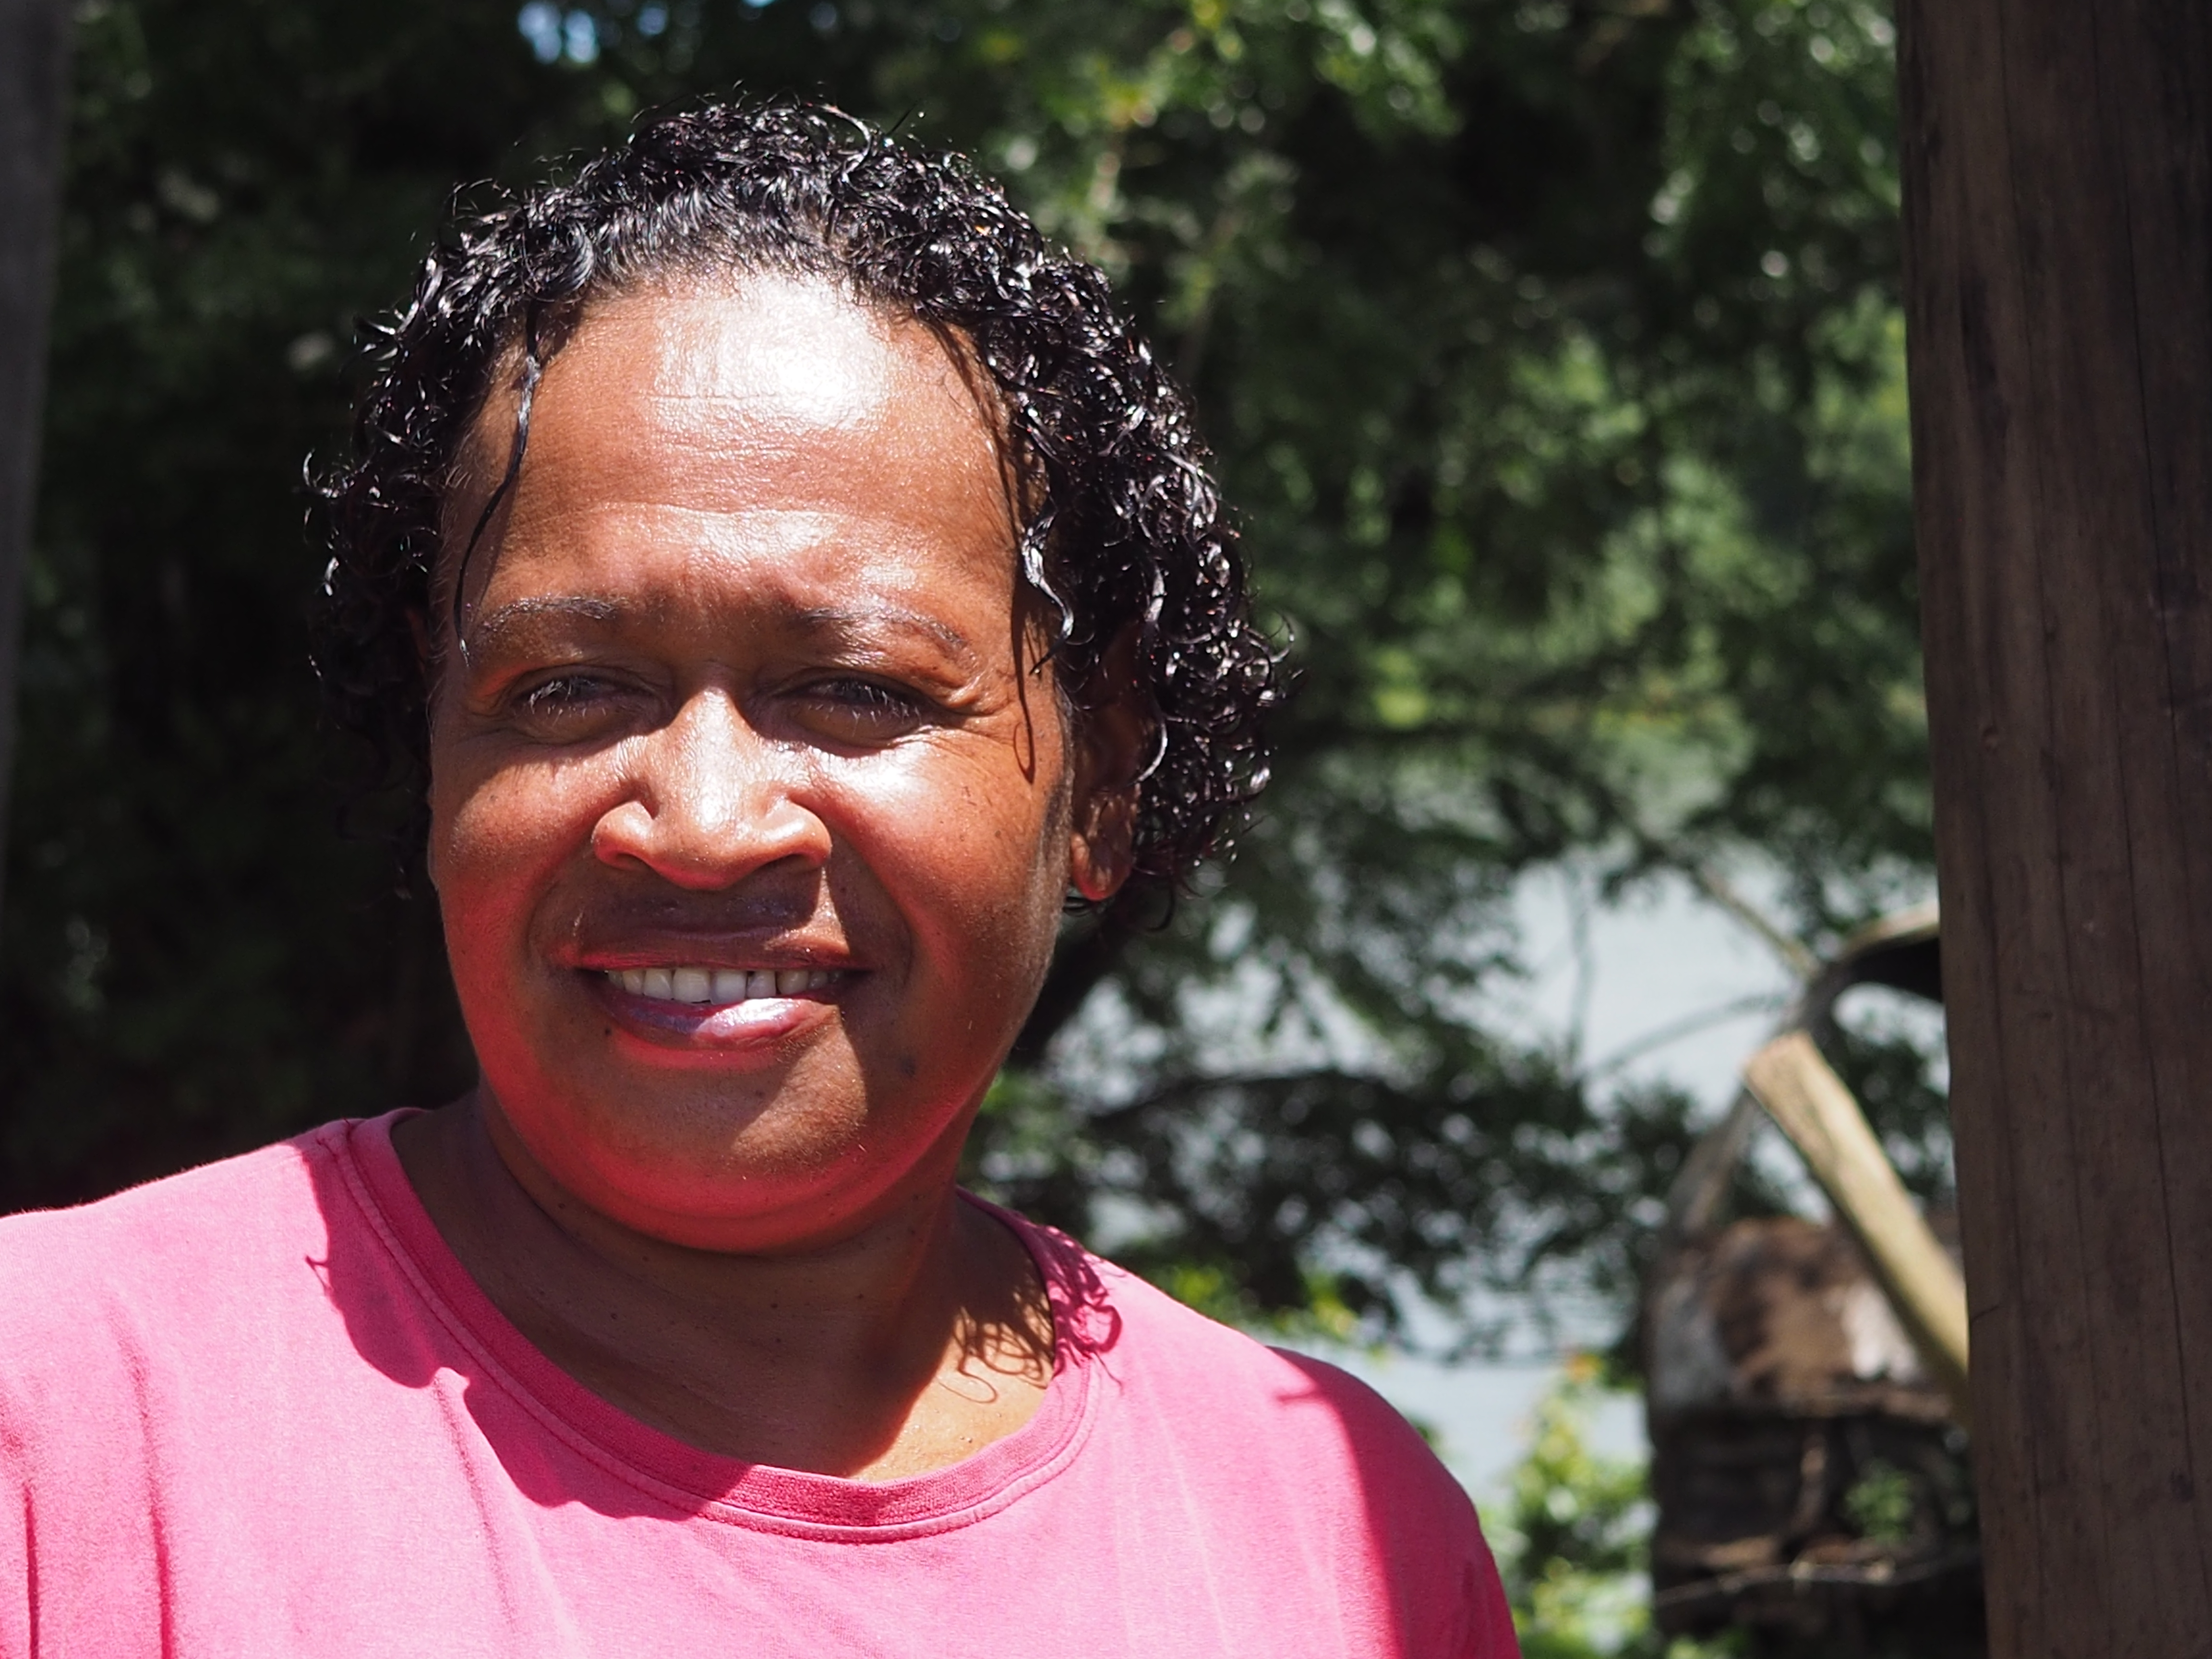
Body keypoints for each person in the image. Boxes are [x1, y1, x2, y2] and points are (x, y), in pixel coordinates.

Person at [0, 101, 1517, 1657]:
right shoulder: (61, 1423)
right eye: (568, 688)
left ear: (1103, 779)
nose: (704, 822)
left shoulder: (1338, 1543)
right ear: (435, 742)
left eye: (856, 689)